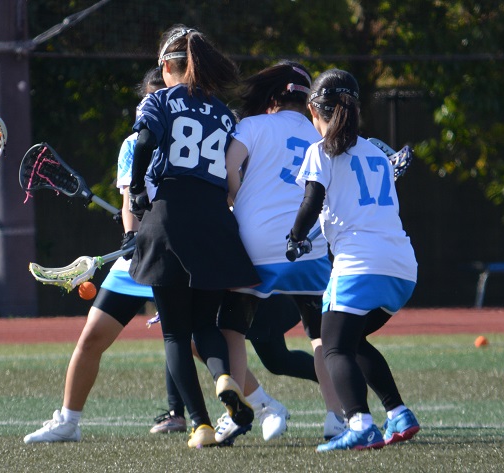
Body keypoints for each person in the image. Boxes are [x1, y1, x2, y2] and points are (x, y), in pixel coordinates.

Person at [128, 25, 260, 448]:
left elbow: (144, 140)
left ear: (167, 67)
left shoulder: (161, 100)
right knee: (205, 323)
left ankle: (201, 425)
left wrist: (136, 188)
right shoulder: (223, 112)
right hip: (215, 218)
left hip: (171, 213)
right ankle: (225, 379)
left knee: (174, 332)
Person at [24, 68, 167, 444]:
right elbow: (129, 201)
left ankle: (258, 404)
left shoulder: (188, 140)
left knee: (196, 343)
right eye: (147, 99)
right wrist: (131, 236)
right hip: (139, 257)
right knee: (91, 337)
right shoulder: (132, 144)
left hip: (177, 255)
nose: (151, 106)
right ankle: (68, 421)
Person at [287, 68, 420, 451]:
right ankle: (398, 413)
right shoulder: (376, 154)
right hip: (402, 268)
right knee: (352, 339)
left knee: (334, 347)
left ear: (315, 111)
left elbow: (312, 201)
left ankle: (360, 424)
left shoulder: (320, 150)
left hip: (360, 265)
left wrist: (295, 236)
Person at [215, 61, 346, 445]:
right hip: (308, 245)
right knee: (321, 337)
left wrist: (238, 199)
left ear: (272, 97)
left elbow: (226, 168)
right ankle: (337, 418)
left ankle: (235, 414)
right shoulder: (321, 134)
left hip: (254, 243)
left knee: (231, 330)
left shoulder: (252, 125)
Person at [150, 294, 319, 442]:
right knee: (192, 336)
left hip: (255, 284)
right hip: (223, 283)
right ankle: (260, 406)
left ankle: (333, 386)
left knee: (277, 360)